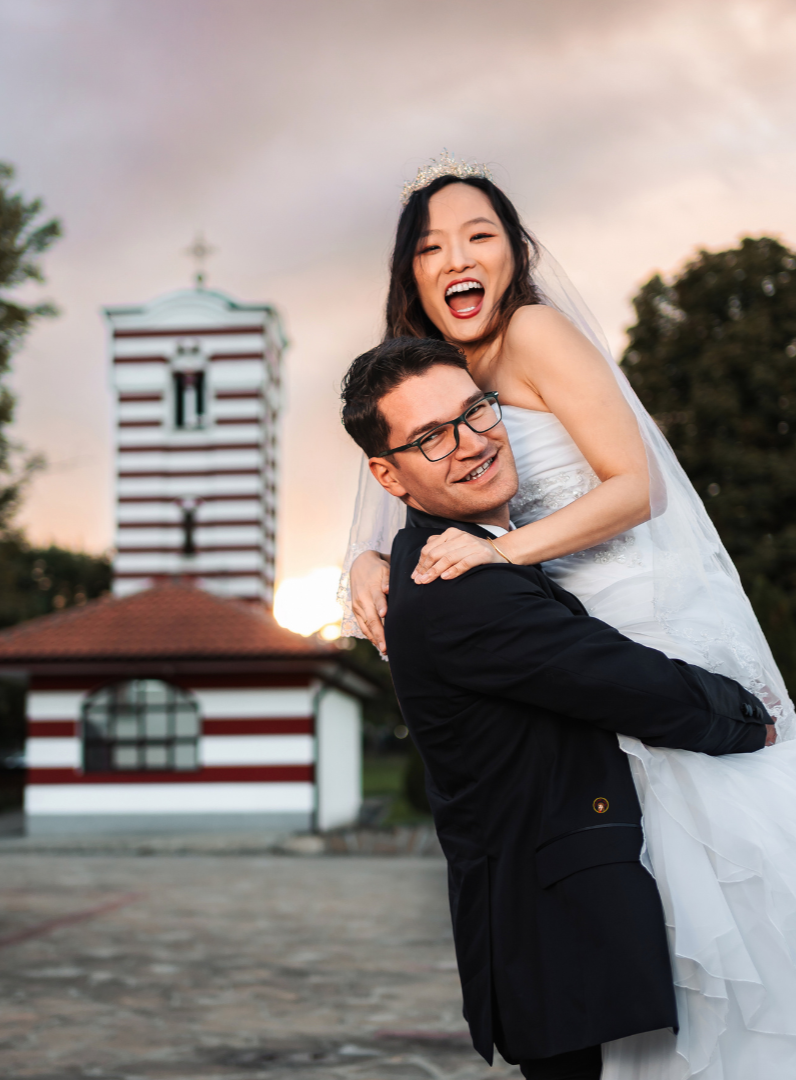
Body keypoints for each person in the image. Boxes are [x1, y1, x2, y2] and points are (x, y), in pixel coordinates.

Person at [340, 155, 796, 1079]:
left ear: (513, 252)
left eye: (479, 235)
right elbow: (416, 502)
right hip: (556, 631)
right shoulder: (432, 378)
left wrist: (503, 551)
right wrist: (361, 558)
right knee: (630, 889)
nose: (456, 256)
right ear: (411, 273)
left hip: (631, 611)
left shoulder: (534, 332)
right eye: (431, 245)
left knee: (713, 883)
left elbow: (636, 488)